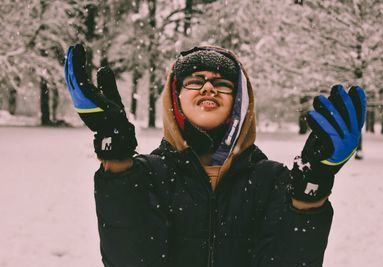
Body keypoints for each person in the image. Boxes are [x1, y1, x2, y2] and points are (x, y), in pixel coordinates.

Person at [64, 44, 366, 267]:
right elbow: (130, 259)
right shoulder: (146, 173)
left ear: (240, 101)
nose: (208, 87)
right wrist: (115, 161)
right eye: (195, 80)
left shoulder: (272, 180)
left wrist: (311, 189)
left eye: (223, 83)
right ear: (175, 97)